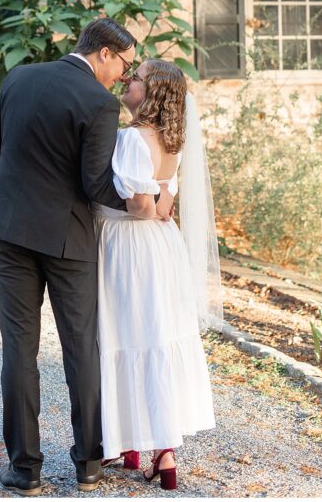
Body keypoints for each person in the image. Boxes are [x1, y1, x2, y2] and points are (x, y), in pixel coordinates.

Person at [0, 18, 137, 496]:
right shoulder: (99, 103)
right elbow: (96, 185)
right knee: (80, 349)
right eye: (124, 66)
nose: (123, 77)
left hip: (8, 233)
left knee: (18, 350)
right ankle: (88, 464)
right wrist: (144, 202)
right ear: (105, 53)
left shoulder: (19, 77)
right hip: (68, 240)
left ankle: (24, 470)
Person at [94, 58, 223, 491]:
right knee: (155, 336)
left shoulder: (132, 138)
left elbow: (142, 208)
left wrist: (150, 200)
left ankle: (125, 442)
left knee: (124, 336)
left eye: (138, 78)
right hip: (161, 250)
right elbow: (164, 202)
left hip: (129, 245)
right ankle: (161, 453)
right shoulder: (174, 140)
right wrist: (159, 197)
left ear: (151, 93)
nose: (129, 80)